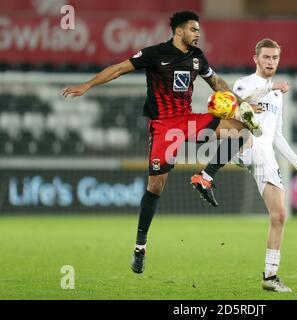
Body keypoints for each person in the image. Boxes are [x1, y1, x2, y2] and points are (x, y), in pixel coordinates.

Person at [62, 11, 261, 274]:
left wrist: (241, 104)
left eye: (198, 30)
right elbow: (120, 68)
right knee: (155, 187)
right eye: (193, 29)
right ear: (179, 31)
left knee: (242, 130)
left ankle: (206, 177)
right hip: (164, 128)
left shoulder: (197, 58)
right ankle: (140, 248)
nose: (197, 34)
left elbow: (217, 83)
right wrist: (87, 85)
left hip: (189, 120)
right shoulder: (155, 54)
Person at [196, 39, 297, 292]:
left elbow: (277, 135)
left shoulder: (277, 95)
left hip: (265, 157)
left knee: (279, 216)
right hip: (245, 145)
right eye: (266, 57)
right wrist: (270, 87)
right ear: (256, 59)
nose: (271, 62)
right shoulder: (246, 82)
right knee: (243, 129)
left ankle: (270, 277)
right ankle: (205, 173)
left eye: (275, 58)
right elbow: (236, 103)